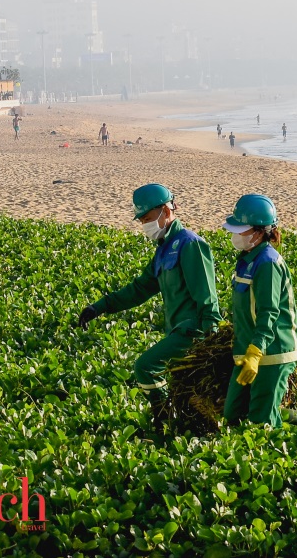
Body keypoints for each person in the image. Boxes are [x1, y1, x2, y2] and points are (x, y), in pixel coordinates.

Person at [77, 184, 221, 436]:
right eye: (141, 220)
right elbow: (140, 288)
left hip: (193, 332)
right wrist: (99, 307)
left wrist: (211, 343)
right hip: (175, 331)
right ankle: (181, 426)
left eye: (147, 218)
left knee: (145, 366)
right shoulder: (164, 247)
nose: (144, 224)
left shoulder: (190, 244)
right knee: (191, 396)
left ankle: (164, 418)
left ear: (166, 211)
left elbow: (207, 298)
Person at [222, 194, 297, 428]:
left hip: (272, 351)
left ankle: (284, 426)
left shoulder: (267, 263)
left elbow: (269, 312)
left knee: (260, 423)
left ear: (258, 232)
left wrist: (256, 352)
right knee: (232, 413)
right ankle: (293, 416)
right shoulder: (246, 259)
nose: (235, 235)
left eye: (241, 230)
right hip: (247, 350)